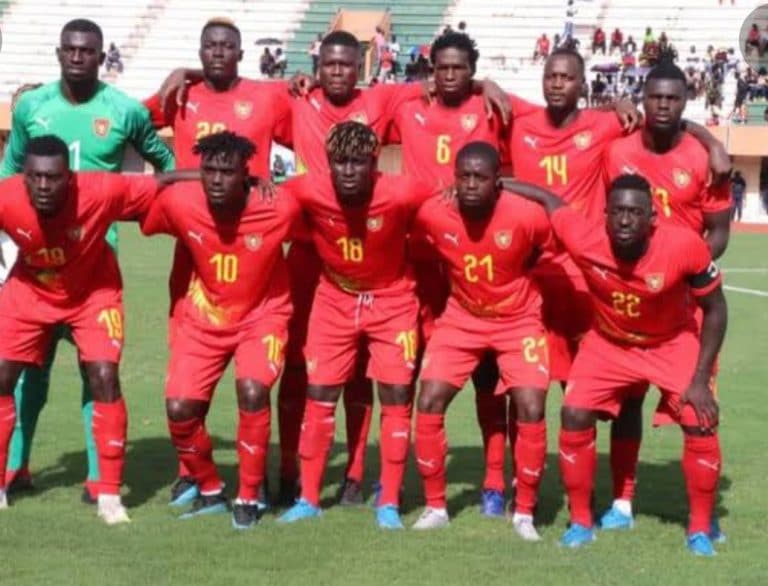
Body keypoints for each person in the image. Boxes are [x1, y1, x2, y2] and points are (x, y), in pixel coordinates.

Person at [0, 18, 174, 503]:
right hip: (37, 259)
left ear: (102, 56)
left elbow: (162, 162)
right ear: (59, 54)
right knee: (27, 374)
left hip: (96, 258)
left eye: (88, 51)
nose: (78, 58)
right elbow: (11, 171)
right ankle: (15, 467)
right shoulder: (31, 106)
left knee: (95, 372)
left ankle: (100, 480)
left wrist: (153, 216)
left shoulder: (124, 110)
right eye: (71, 50)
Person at [516, 174, 727, 557]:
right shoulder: (585, 238)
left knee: (700, 417)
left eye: (634, 212)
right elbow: (549, 201)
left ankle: (701, 528)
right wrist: (501, 183)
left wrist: (700, 380)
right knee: (573, 413)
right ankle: (581, 522)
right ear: (605, 215)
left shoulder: (684, 246)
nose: (625, 220)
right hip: (609, 343)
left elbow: (716, 310)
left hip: (670, 343)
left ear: (652, 218)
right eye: (617, 212)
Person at [144, 18, 292, 507]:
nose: (219, 53)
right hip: (194, 245)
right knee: (189, 371)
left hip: (253, 238)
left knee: (256, 379)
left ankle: (260, 475)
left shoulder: (268, 97)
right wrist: (171, 171)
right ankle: (192, 472)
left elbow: (313, 130)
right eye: (210, 46)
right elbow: (130, 122)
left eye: (228, 46)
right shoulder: (180, 94)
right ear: (200, 50)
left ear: (241, 53)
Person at [388, 31, 537, 518]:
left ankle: (494, 480)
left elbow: (553, 118)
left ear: (473, 69)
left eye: (460, 68)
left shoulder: (492, 106)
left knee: (488, 378)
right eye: (442, 67)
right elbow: (348, 104)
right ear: (430, 70)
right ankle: (391, 483)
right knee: (406, 376)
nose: (450, 75)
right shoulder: (405, 104)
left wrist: (486, 85)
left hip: (478, 266)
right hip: (418, 263)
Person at [277, 122, 433, 529]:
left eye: (358, 162)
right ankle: (309, 498)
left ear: (374, 163)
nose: (348, 171)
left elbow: (448, 200)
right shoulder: (307, 189)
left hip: (393, 298)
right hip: (335, 298)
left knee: (396, 395)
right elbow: (263, 196)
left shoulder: (402, 191)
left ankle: (389, 502)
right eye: (340, 162)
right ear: (328, 163)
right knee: (320, 393)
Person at [141, 132, 299, 529]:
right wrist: (174, 176)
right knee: (179, 409)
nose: (215, 179)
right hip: (205, 319)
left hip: (262, 317)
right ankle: (210, 489)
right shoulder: (181, 203)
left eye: (226, 172)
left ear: (246, 173)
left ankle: (249, 494)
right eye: (208, 170)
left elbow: (326, 210)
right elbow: (131, 201)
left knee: (253, 390)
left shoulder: (279, 206)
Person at [602, 60, 731, 532]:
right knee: (628, 402)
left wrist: (685, 270)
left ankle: (703, 518)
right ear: (643, 99)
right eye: (655, 97)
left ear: (685, 103)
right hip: (630, 299)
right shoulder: (617, 152)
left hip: (684, 302)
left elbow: (719, 231)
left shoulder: (702, 158)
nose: (663, 105)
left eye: (672, 99)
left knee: (697, 408)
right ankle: (621, 503)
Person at [410, 142, 551, 540]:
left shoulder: (525, 215)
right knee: (429, 398)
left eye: (480, 177)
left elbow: (547, 244)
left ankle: (524, 513)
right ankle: (436, 506)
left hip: (518, 319)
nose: (471, 184)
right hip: (463, 318)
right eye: (464, 176)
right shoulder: (433, 214)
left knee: (531, 404)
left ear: (498, 183)